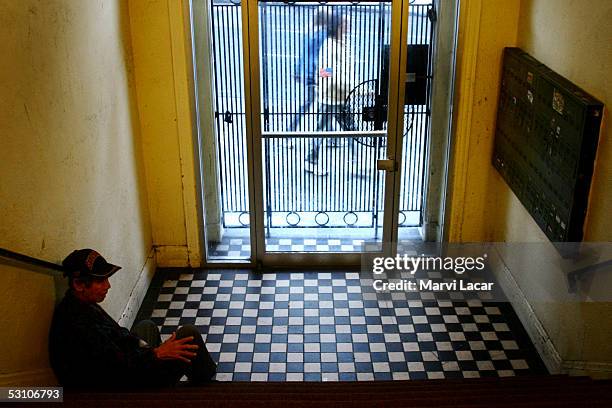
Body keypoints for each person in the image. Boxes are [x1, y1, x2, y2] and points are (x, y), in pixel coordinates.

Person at [49, 249, 217, 389]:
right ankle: (206, 387)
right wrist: (156, 354)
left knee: (147, 326)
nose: (108, 285)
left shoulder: (79, 303)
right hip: (122, 386)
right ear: (79, 284)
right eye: (100, 280)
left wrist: (142, 346)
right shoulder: (78, 327)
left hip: (123, 363)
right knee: (189, 336)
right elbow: (116, 369)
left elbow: (116, 335)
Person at [305, 11, 356, 176]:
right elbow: (325, 71)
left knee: (352, 129)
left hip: (343, 96)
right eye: (347, 23)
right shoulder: (329, 45)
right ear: (339, 26)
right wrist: (352, 87)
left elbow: (348, 70)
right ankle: (310, 161)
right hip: (329, 97)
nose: (350, 26)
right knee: (322, 131)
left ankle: (357, 161)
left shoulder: (346, 43)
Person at [287, 9, 328, 135]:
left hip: (305, 71)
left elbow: (304, 54)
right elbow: (323, 56)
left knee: (322, 103)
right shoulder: (323, 34)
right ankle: (291, 130)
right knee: (321, 103)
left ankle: (332, 137)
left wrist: (297, 70)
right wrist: (326, 74)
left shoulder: (309, 31)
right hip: (315, 73)